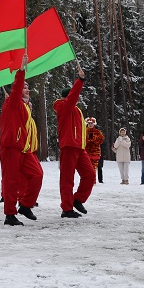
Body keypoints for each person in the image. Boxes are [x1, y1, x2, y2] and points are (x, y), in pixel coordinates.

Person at [0, 55, 43, 226]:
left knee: (37, 175)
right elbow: (16, 90)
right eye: (25, 87)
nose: (27, 89)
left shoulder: (23, 106)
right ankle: (10, 215)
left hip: (24, 149)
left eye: (28, 87)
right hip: (11, 147)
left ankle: (25, 205)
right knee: (10, 182)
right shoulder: (11, 102)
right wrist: (21, 70)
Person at [53, 67, 95, 218]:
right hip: (69, 146)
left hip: (79, 147)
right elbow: (72, 98)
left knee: (90, 175)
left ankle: (77, 199)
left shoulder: (75, 109)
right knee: (67, 179)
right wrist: (80, 80)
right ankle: (66, 208)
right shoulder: (63, 106)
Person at [85, 117, 104, 183]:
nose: (90, 124)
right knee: (87, 168)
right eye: (89, 123)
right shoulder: (84, 131)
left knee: (94, 167)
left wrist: (93, 139)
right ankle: (87, 180)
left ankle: (93, 181)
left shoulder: (98, 132)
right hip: (86, 152)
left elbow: (101, 140)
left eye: (91, 123)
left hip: (95, 152)